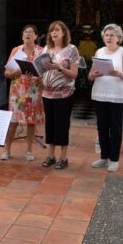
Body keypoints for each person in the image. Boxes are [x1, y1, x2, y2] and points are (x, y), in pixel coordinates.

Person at [88, 23, 123, 172]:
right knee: (102, 128)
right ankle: (103, 157)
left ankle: (114, 159)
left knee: (115, 129)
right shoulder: (99, 51)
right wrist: (93, 75)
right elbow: (90, 76)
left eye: (112, 35)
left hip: (116, 95)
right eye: (106, 35)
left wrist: (119, 74)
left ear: (118, 38)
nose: (108, 37)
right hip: (100, 93)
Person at [1, 24, 44, 162]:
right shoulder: (16, 51)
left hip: (33, 91)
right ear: (22, 36)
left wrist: (36, 76)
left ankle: (29, 150)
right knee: (13, 121)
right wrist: (16, 72)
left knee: (31, 121)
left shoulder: (41, 52)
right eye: (25, 32)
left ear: (36, 36)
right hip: (17, 91)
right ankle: (7, 149)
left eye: (31, 32)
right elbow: (7, 73)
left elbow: (45, 75)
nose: (28, 34)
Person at [41, 20, 80, 170]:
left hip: (64, 93)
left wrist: (59, 67)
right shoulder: (46, 49)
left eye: (57, 30)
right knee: (49, 124)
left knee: (62, 125)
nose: (54, 33)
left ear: (64, 33)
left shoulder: (72, 50)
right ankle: (51, 156)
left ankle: (64, 157)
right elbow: (42, 70)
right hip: (47, 93)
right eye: (52, 30)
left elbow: (74, 74)